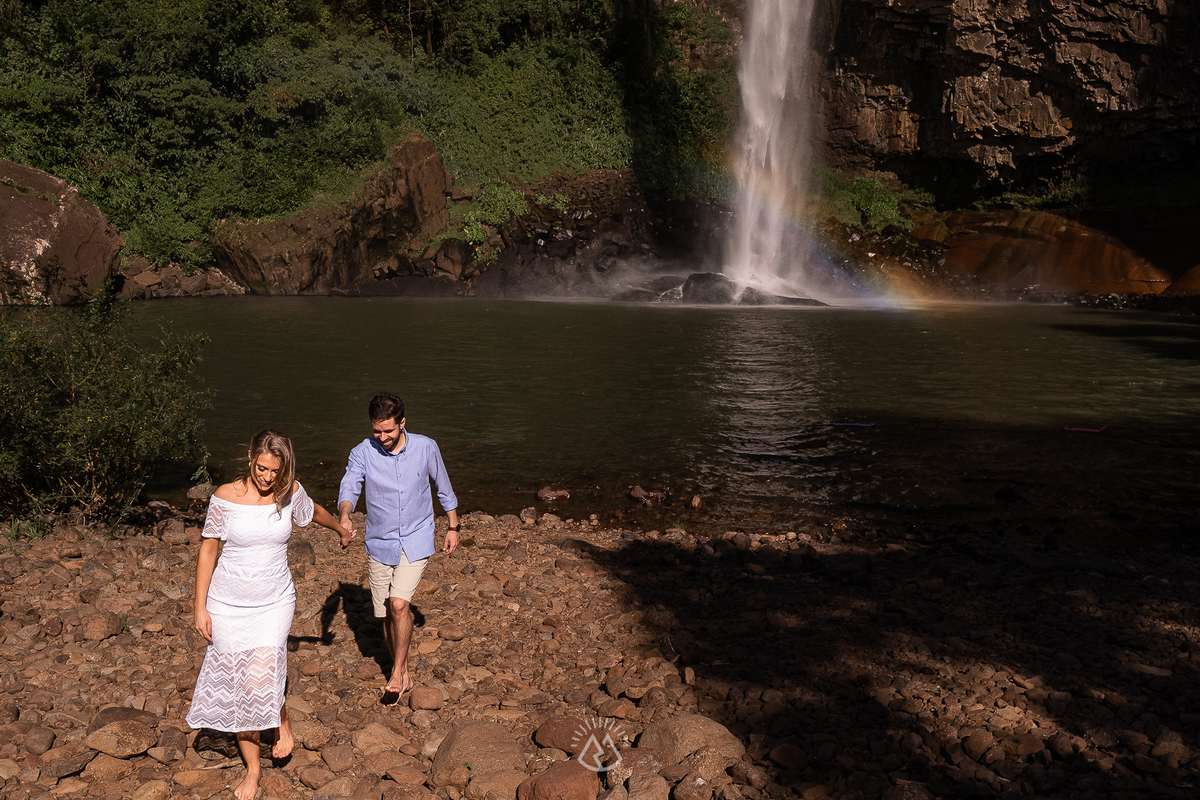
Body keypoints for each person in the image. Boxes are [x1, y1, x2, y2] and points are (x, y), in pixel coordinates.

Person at [187, 430, 352, 800]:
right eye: (261, 468)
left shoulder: (290, 491)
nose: (266, 477)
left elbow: (315, 513)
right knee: (240, 684)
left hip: (275, 601)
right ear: (249, 458)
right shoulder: (225, 497)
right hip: (227, 603)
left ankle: (280, 721)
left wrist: (340, 527)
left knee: (261, 674)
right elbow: (208, 551)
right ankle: (255, 767)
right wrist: (199, 608)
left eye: (274, 471)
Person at [338, 392, 458, 705]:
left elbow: (442, 486)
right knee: (386, 614)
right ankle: (403, 672)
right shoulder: (363, 452)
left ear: (402, 423)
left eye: (388, 431)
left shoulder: (426, 447)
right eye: (377, 431)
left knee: (399, 605)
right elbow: (350, 485)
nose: (382, 437)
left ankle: (396, 672)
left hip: (417, 537)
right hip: (380, 542)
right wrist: (345, 514)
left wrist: (453, 526)